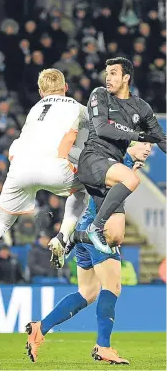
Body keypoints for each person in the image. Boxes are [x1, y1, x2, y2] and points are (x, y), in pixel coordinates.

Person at [0, 68, 89, 290]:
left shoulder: (35, 109)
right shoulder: (77, 108)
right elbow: (94, 134)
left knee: (0, 223)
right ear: (66, 88)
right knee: (83, 190)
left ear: (41, 91)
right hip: (54, 167)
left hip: (20, 167)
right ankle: (62, 236)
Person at [25, 142, 151, 365]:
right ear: (131, 143)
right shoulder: (117, 164)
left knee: (87, 291)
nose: (149, 149)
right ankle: (103, 346)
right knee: (111, 287)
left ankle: (40, 328)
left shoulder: (118, 163)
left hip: (83, 229)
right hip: (98, 232)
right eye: (145, 143)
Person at [77, 57, 166, 254]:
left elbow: (161, 138)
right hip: (93, 159)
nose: (108, 78)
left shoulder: (141, 107)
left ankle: (76, 236)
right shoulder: (99, 94)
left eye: (113, 73)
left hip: (111, 169)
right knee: (132, 178)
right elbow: (102, 128)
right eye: (107, 73)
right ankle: (94, 227)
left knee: (115, 237)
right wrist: (137, 135)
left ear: (126, 77)